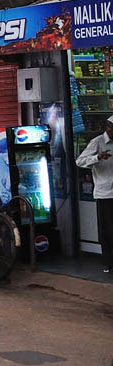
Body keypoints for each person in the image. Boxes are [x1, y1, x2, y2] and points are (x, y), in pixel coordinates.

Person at [76, 115, 113, 274]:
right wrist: (98, 157)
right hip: (105, 193)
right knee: (107, 230)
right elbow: (80, 161)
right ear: (107, 127)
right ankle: (109, 262)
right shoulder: (97, 142)